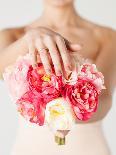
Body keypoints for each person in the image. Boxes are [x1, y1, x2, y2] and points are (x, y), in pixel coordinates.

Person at [0, 0, 116, 154]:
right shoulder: (12, 35)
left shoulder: (107, 36)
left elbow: (104, 100)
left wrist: (65, 117)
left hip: (88, 147)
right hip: (30, 148)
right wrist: (28, 40)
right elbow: (1, 69)